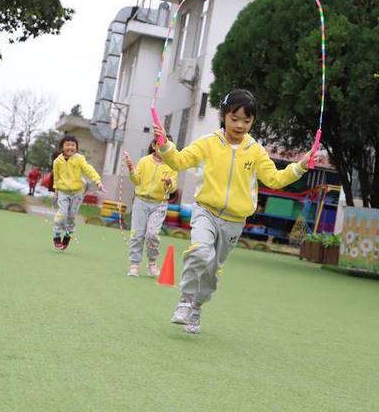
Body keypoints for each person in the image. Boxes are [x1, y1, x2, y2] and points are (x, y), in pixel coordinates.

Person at [153, 89, 313, 334]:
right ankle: (185, 300)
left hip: (234, 222)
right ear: (224, 116)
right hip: (205, 211)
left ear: (253, 121)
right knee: (199, 252)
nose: (239, 125)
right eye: (234, 118)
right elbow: (179, 161)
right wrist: (164, 146)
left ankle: (197, 306)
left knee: (211, 270)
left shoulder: (256, 151)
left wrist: (300, 167)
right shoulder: (207, 143)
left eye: (246, 120)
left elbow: (274, 179)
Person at [124, 137, 178, 278]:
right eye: (161, 145)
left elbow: (173, 188)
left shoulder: (172, 165)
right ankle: (134, 264)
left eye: (167, 147)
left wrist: (169, 183)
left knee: (152, 234)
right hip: (141, 201)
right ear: (154, 145)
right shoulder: (144, 161)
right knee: (137, 234)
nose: (164, 149)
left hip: (159, 204)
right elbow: (136, 180)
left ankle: (152, 262)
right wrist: (131, 169)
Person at [52, 135, 106, 250]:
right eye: (67, 145)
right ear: (62, 147)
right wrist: (56, 192)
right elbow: (56, 177)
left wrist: (98, 181)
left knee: (71, 216)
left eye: (73, 145)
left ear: (76, 147)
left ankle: (67, 237)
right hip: (63, 192)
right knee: (62, 215)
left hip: (77, 193)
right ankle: (56, 236)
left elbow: (89, 169)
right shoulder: (57, 161)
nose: (70, 147)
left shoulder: (79, 159)